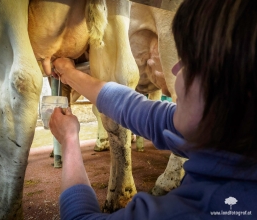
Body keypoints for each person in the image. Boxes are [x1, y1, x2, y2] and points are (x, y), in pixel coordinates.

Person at [49, 0, 257, 219]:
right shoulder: (230, 135)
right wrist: (69, 73)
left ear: (238, 87)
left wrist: (70, 140)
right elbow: (135, 108)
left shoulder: (194, 211)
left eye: (191, 63)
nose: (176, 68)